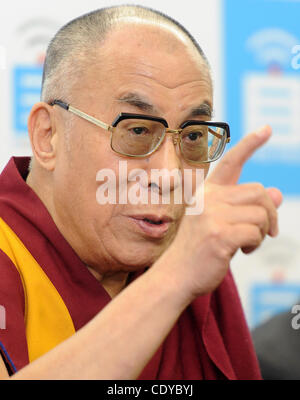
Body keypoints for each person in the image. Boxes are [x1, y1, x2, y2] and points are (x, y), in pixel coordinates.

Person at [0, 5, 282, 380]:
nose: (169, 176)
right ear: (48, 136)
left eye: (193, 136)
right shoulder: (185, 266)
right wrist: (174, 277)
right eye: (136, 131)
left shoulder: (193, 258)